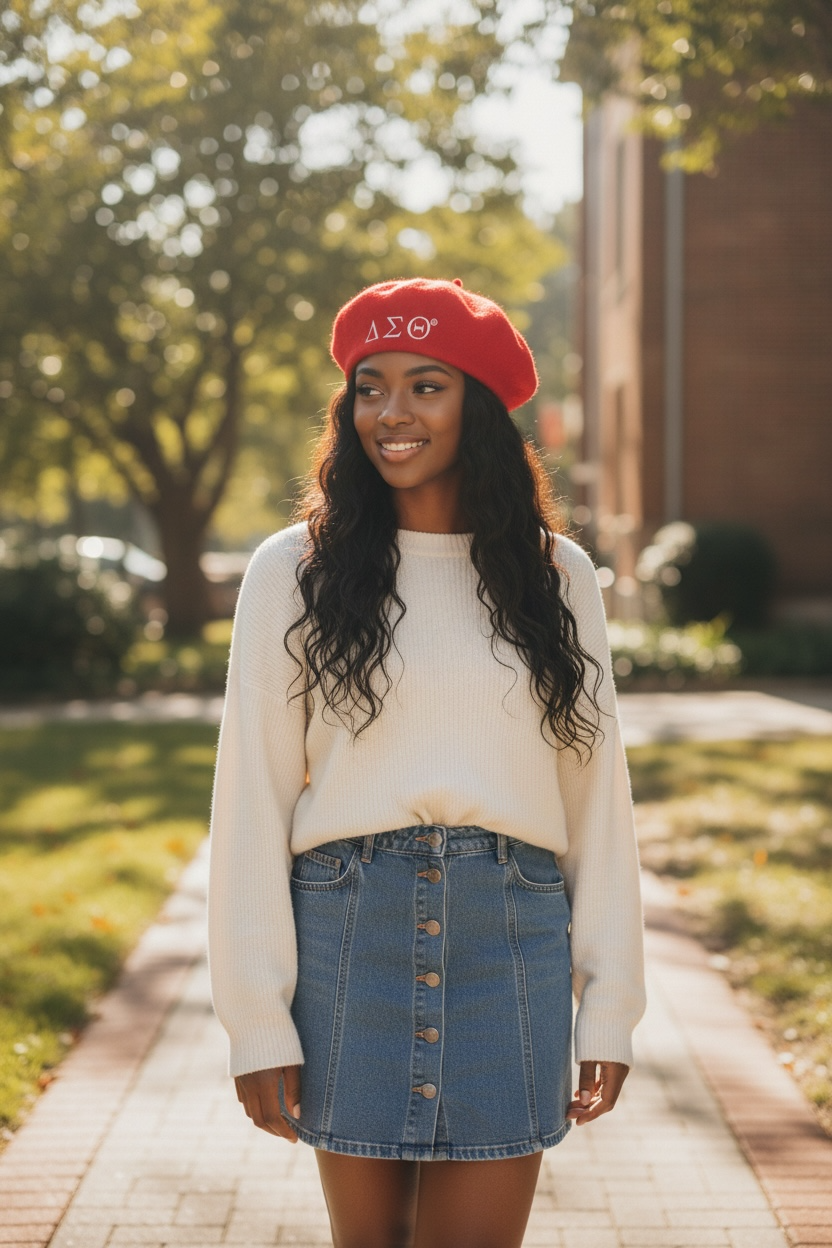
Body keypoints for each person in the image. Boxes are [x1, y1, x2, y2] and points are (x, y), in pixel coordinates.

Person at [207, 277, 646, 1248]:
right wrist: (256, 1020)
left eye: (425, 385)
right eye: (369, 386)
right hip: (348, 939)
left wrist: (610, 1007)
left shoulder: (554, 577)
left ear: (478, 408)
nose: (390, 413)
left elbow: (597, 801)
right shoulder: (294, 570)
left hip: (513, 942)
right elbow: (250, 799)